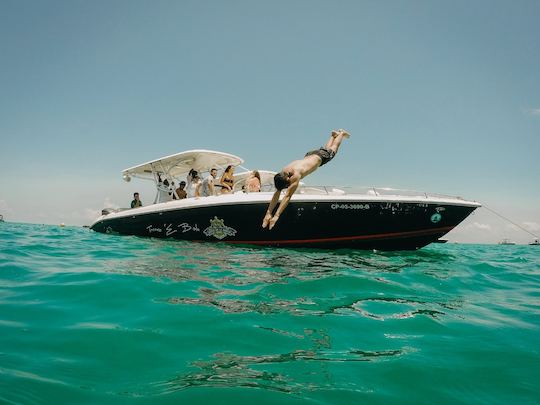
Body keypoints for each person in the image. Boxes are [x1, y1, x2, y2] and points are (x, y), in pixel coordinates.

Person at [262, 129, 350, 230]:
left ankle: (341, 133)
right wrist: (268, 214)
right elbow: (278, 191)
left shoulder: (296, 175)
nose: (287, 186)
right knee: (326, 149)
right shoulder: (283, 172)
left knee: (333, 149)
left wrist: (276, 216)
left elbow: (287, 196)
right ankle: (333, 135)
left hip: (319, 157)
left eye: (287, 185)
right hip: (310, 154)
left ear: (287, 179)